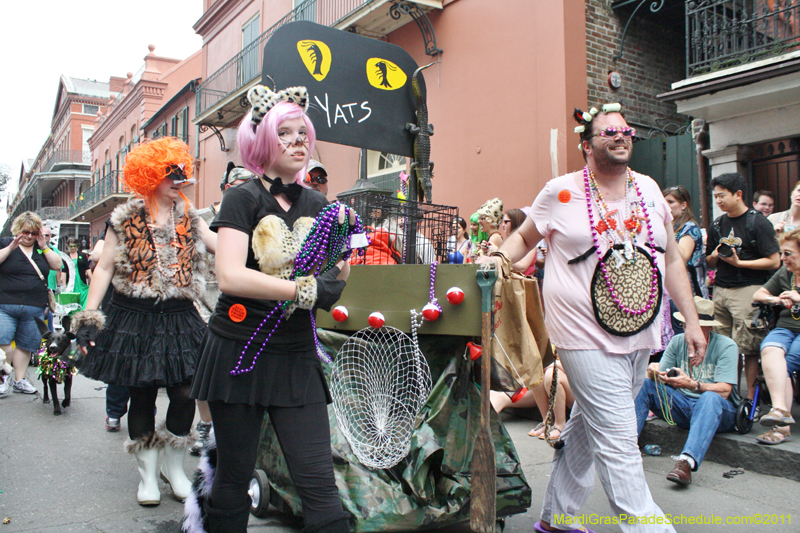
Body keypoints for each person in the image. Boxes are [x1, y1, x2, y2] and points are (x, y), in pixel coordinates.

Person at [482, 103, 704, 533]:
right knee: (620, 437)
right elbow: (522, 239)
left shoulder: (651, 190)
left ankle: (557, 519)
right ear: (587, 145)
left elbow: (673, 258)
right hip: (581, 335)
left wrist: (691, 321)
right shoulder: (560, 191)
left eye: (625, 131)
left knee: (587, 425)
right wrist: (496, 261)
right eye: (608, 132)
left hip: (641, 333)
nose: (621, 136)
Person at [188, 85, 350, 533]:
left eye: (304, 132)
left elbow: (336, 271)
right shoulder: (242, 197)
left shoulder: (319, 204)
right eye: (286, 133)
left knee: (319, 483)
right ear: (262, 141)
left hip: (296, 353)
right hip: (238, 351)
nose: (299, 141)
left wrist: (338, 268)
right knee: (234, 478)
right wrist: (302, 290)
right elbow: (230, 276)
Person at [72, 137, 217, 506]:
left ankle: (174, 467)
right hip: (134, 317)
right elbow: (104, 268)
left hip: (180, 316)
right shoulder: (124, 219)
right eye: (172, 176)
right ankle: (148, 476)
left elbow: (221, 246)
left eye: (183, 176)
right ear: (152, 177)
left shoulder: (190, 217)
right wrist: (89, 318)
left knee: (187, 390)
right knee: (142, 393)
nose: (180, 182)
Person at [634, 296, 738, 486]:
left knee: (710, 397)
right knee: (646, 384)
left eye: (697, 326)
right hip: (683, 405)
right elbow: (660, 376)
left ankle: (686, 462)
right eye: (686, 324)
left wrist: (693, 385)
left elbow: (724, 391)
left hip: (717, 409)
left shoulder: (726, 346)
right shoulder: (677, 341)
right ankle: (626, 446)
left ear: (709, 328)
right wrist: (655, 372)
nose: (688, 329)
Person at [706, 173, 780, 401]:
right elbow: (708, 260)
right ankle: (727, 396)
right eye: (715, 196)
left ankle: (750, 400)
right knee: (723, 347)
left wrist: (740, 263)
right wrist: (716, 255)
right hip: (721, 290)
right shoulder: (717, 224)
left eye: (721, 196)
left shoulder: (757, 222)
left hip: (748, 289)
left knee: (748, 348)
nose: (718, 201)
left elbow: (775, 261)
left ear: (738, 194)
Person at [0, 212, 63, 395]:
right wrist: (11, 248)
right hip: (5, 303)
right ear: (18, 229)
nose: (29, 236)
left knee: (26, 344)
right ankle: (3, 376)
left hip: (34, 305)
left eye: (34, 233)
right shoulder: (5, 243)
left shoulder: (41, 248)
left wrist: (44, 247)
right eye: (26, 232)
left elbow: (57, 264)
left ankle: (20, 380)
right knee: (3, 341)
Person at [751, 228, 800, 446]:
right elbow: (758, 294)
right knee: (769, 349)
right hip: (785, 327)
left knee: (786, 362)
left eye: (788, 253)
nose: (782, 258)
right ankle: (780, 410)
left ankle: (781, 428)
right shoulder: (785, 274)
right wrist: (776, 300)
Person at [63, 237, 92, 309]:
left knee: (84, 295)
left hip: (81, 280)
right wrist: (64, 285)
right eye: (71, 246)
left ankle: (82, 311)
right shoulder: (66, 256)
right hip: (70, 281)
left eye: (74, 246)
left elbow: (87, 268)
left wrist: (93, 280)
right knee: (72, 298)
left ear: (77, 246)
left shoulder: (82, 255)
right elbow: (64, 272)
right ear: (68, 246)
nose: (73, 248)